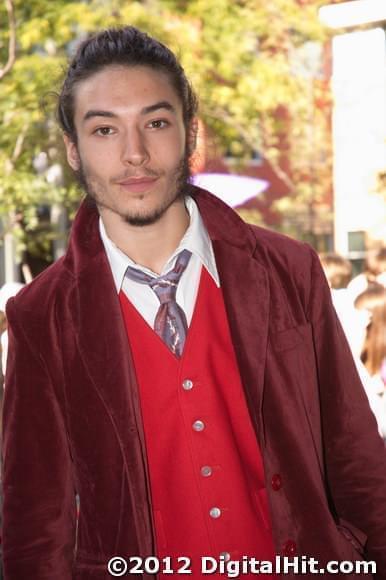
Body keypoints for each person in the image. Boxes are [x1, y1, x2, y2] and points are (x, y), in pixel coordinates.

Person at [2, 26, 386, 580]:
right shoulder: (42, 316)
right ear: (72, 149)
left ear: (190, 133)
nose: (135, 153)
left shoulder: (288, 270)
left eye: (156, 123)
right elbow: (35, 527)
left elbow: (355, 455)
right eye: (105, 129)